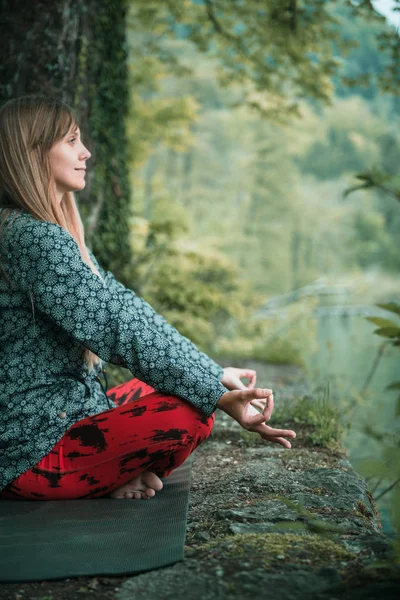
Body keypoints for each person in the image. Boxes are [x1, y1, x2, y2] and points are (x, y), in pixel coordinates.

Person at [0, 95, 296, 501]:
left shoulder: (43, 231)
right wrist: (217, 395)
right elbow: (117, 328)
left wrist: (210, 374)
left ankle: (109, 474)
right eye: (71, 141)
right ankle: (98, 479)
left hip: (70, 412)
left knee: (190, 393)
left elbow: (125, 307)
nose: (85, 153)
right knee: (188, 415)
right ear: (32, 152)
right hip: (30, 449)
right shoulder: (33, 237)